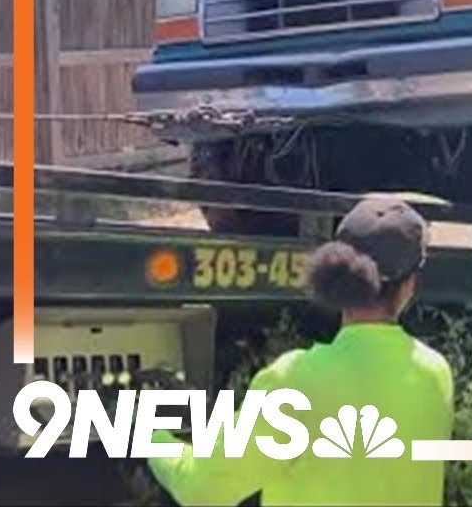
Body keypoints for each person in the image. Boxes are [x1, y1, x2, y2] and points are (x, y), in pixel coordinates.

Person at [148, 198, 454, 506]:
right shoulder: (437, 372)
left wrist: (151, 436)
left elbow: (201, 490)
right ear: (410, 286)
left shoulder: (295, 382)